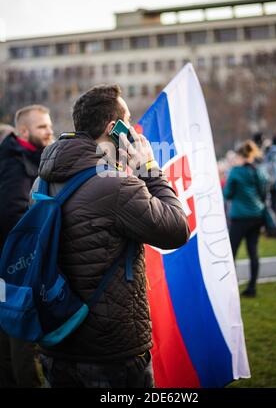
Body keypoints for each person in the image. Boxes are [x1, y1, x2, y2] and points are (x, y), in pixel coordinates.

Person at [34, 84, 190, 388]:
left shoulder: (42, 181)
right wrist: (149, 168)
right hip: (109, 354)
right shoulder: (116, 185)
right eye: (128, 121)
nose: (132, 129)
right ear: (113, 128)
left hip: (57, 340)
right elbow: (176, 229)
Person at [0, 104, 53, 388]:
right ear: (23, 131)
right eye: (42, 127)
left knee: (10, 339)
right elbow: (12, 216)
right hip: (14, 272)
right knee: (21, 339)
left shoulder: (22, 156)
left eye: (49, 125)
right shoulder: (15, 162)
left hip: (8, 271)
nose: (50, 132)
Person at [224, 140, 267, 297]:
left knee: (232, 252)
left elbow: (227, 194)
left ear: (241, 155)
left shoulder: (235, 172)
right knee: (253, 252)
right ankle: (252, 287)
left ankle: (231, 287)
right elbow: (263, 193)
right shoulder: (259, 171)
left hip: (240, 216)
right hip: (257, 215)